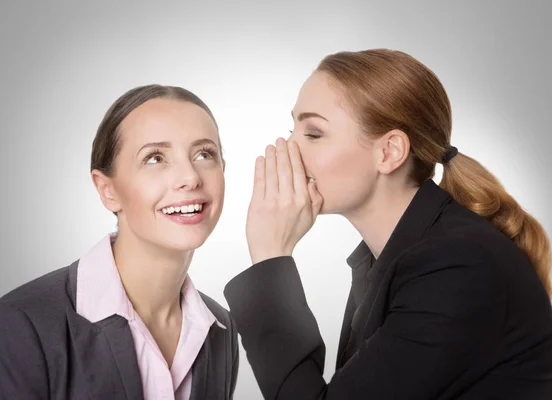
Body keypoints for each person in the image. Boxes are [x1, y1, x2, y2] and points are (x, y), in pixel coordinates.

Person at [224, 49, 552, 399]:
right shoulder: (395, 257)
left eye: (314, 133)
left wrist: (270, 254)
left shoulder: (458, 267)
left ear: (390, 152)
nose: (288, 150)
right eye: (293, 130)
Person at [0, 84, 239, 399]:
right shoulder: (16, 329)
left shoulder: (219, 331)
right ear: (107, 190)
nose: (190, 177)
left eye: (203, 154)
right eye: (155, 158)